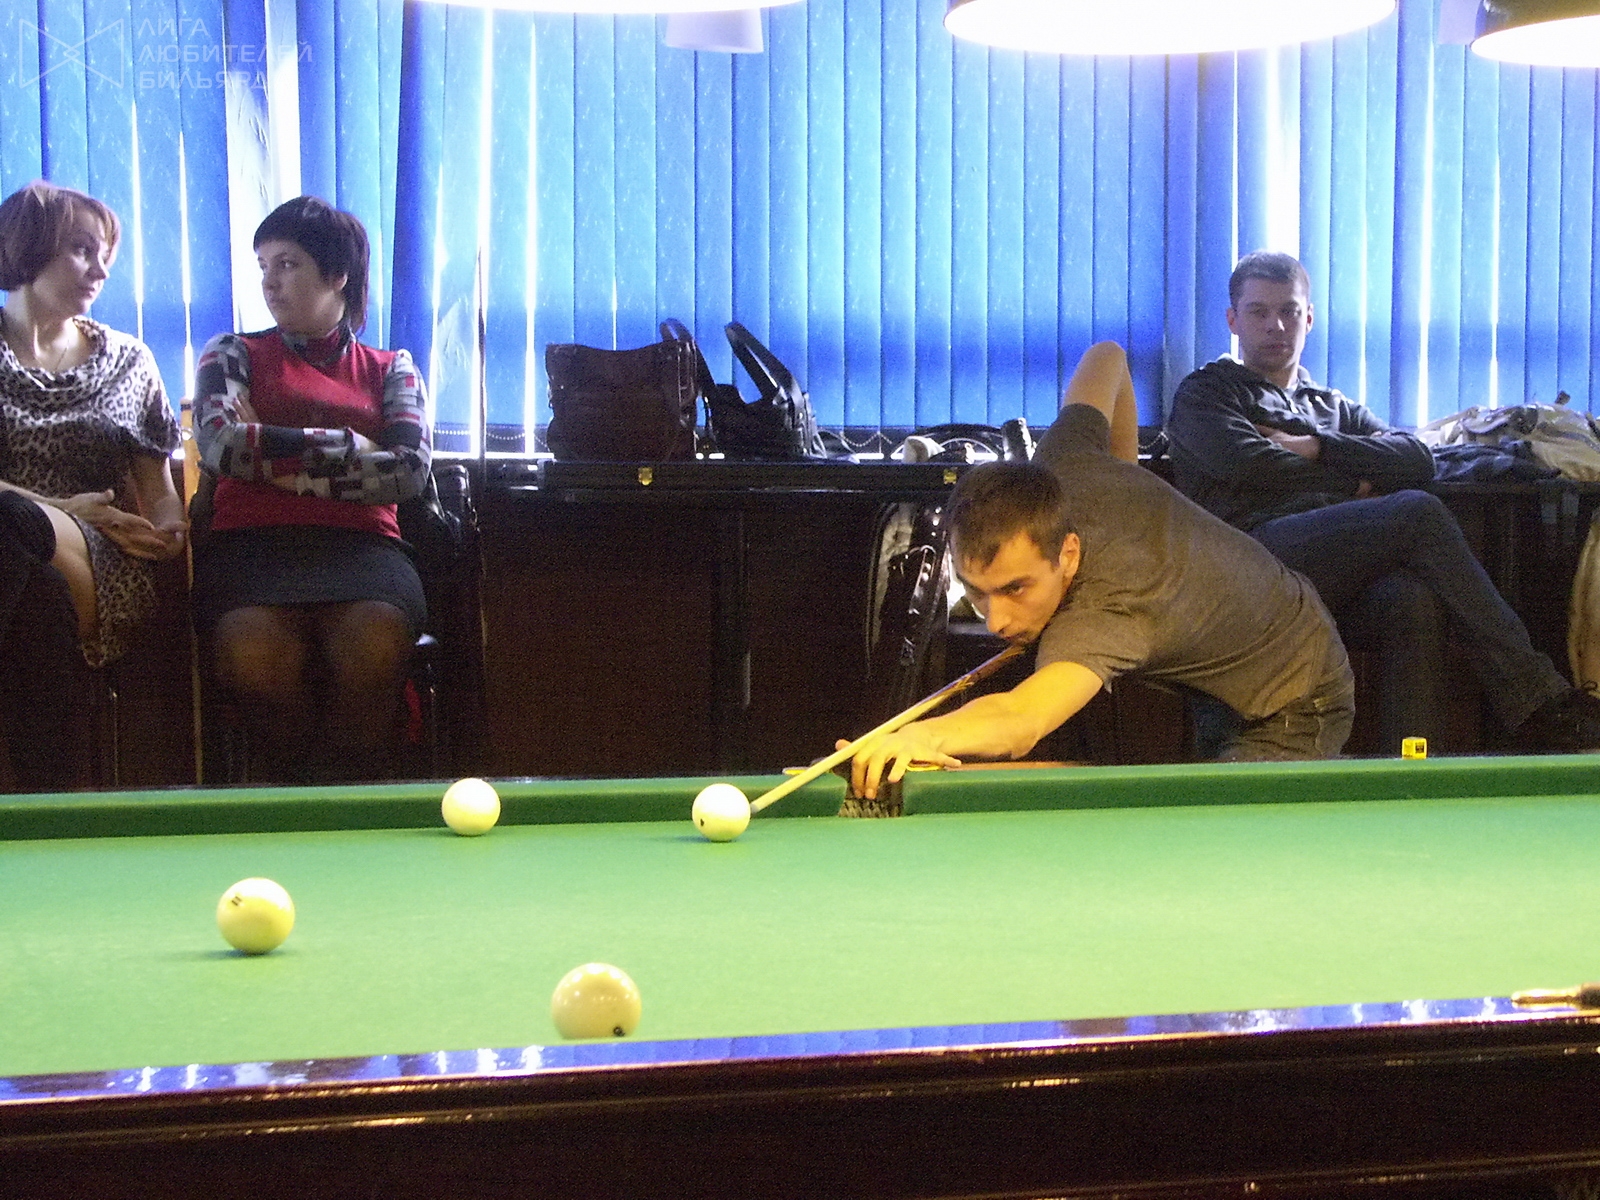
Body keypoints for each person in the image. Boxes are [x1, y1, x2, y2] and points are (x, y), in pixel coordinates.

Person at [848, 341, 1353, 799]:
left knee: (1223, 839)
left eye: (1015, 588)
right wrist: (1125, 474)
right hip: (1227, 658)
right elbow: (1108, 357)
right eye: (977, 592)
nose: (996, 621)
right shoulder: (1060, 461)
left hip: (1297, 690)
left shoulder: (1107, 606)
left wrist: (920, 735)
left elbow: (1021, 720)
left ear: (1068, 554)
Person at [1165, 250, 1600, 755]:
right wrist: (1354, 482)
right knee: (1415, 513)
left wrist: (1318, 446)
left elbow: (1416, 458)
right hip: (1247, 563)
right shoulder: (1208, 393)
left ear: (1309, 318)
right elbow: (1248, 465)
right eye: (1258, 312)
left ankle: (1408, 764)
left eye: (1288, 311)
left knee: (1409, 598)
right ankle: (1540, 703)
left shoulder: (1332, 406)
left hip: (1326, 570)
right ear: (1233, 320)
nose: (1275, 325)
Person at [192, 195, 431, 783]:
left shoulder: (393, 368)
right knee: (254, 652)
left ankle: (350, 802)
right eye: (263, 266)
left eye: (287, 264)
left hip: (364, 551)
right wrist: (355, 444)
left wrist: (267, 447)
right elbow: (221, 446)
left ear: (337, 274)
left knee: (373, 643)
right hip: (252, 547)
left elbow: (408, 472)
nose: (269, 283)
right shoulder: (230, 352)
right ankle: (293, 797)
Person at [0, 181, 185, 791]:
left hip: (102, 554)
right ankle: (51, 805)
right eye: (82, 250)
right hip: (31, 552)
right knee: (37, 599)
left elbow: (159, 489)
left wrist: (169, 529)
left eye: (105, 254)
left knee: (10, 523)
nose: (101, 270)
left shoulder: (129, 361)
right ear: (26, 248)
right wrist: (62, 505)